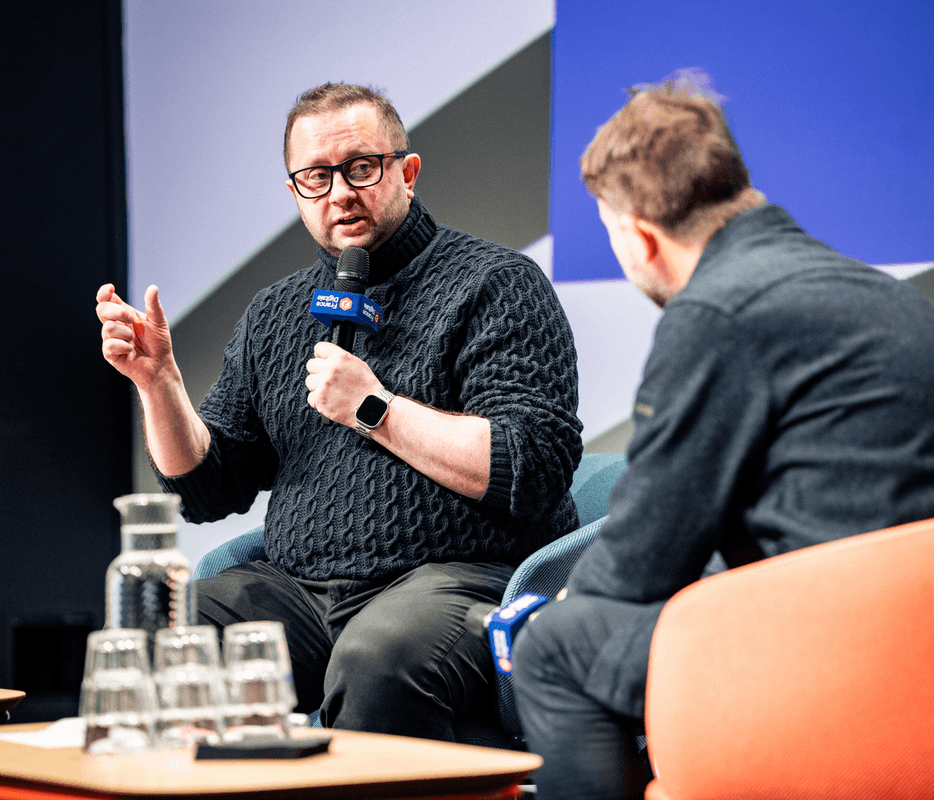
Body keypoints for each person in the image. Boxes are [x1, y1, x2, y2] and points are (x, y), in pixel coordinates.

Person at [511, 70, 934, 799]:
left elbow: (637, 564)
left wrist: (570, 602)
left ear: (639, 236)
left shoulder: (716, 315)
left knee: (554, 647)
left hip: (876, 672)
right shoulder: (859, 287)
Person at [96, 83, 583, 741]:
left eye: (361, 168)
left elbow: (531, 465)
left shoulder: (496, 284)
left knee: (377, 657)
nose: (340, 193)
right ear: (295, 192)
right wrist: (159, 384)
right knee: (158, 633)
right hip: (300, 592)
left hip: (459, 579)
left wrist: (374, 407)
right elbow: (208, 487)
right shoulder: (275, 312)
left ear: (407, 172)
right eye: (316, 178)